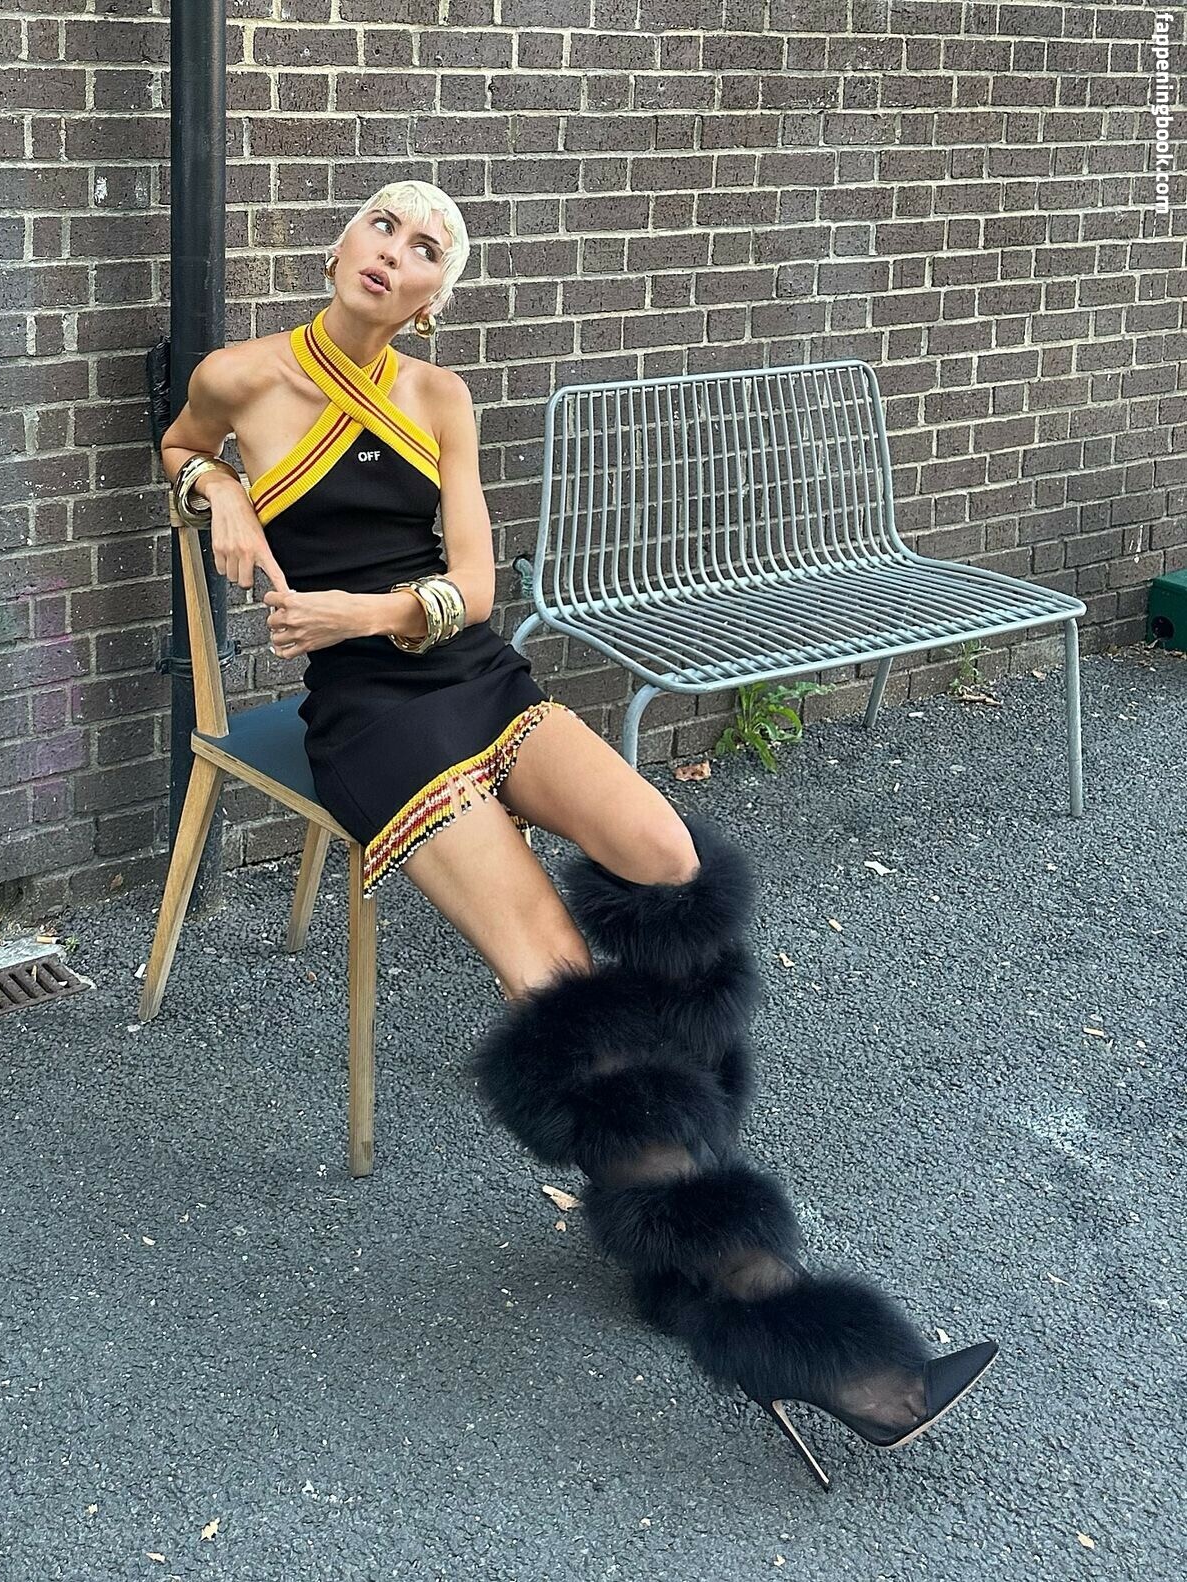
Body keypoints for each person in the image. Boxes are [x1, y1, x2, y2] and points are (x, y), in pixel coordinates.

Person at [159, 179, 998, 1488]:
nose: (397, 251)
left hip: (476, 676)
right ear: (339, 243)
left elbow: (476, 582)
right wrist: (215, 484)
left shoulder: (439, 397)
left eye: (428, 248)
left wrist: (358, 611)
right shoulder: (240, 374)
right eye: (384, 224)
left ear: (433, 298)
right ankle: (792, 1327)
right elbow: (178, 439)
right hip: (373, 725)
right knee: (557, 978)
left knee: (667, 860)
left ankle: (663, 1171)